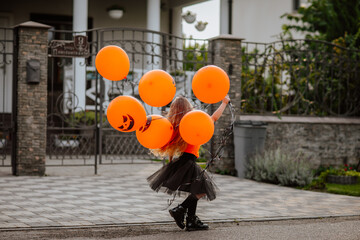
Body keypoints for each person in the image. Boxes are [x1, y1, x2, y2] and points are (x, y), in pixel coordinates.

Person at [147, 95, 230, 231]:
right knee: (202, 190)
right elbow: (213, 118)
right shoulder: (193, 122)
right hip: (189, 162)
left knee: (196, 189)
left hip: (181, 162)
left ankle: (191, 221)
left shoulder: (175, 126)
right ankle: (180, 209)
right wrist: (224, 103)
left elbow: (171, 150)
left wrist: (171, 166)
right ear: (188, 108)